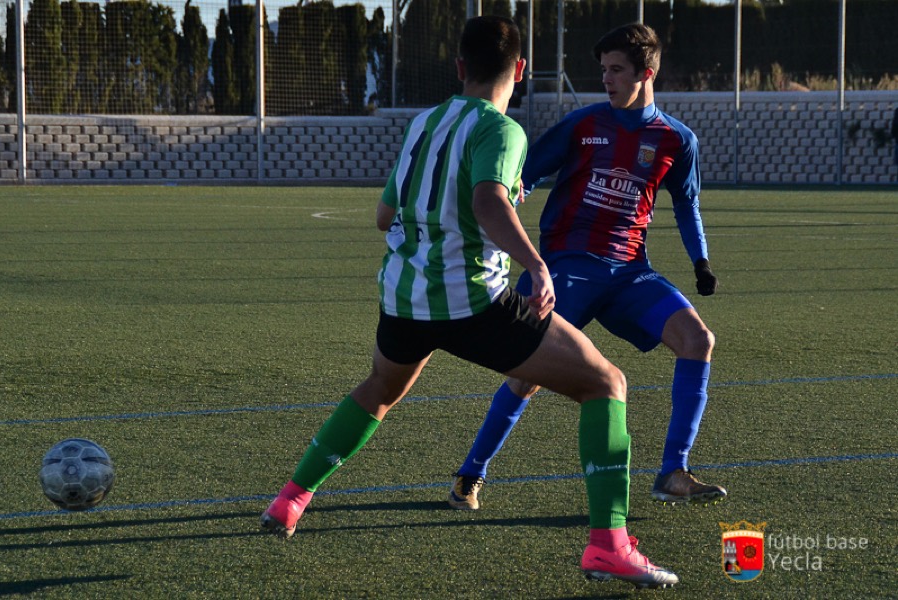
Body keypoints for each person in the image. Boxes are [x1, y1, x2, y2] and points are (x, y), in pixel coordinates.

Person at [260, 16, 678, 589]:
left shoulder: (424, 123)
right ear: (521, 70)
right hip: (473, 303)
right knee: (606, 384)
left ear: (460, 68)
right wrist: (536, 265)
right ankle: (609, 545)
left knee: (379, 390)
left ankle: (290, 499)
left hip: (403, 298)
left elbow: (384, 216)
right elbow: (488, 203)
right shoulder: (502, 130)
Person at [448, 22, 726, 512]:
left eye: (616, 70)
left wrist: (700, 260)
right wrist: (512, 198)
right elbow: (524, 174)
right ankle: (470, 474)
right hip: (567, 269)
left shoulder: (676, 140)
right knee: (527, 373)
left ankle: (674, 472)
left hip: (629, 273)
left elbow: (687, 205)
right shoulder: (582, 125)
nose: (606, 79)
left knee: (698, 340)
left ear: (646, 73)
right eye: (603, 70)